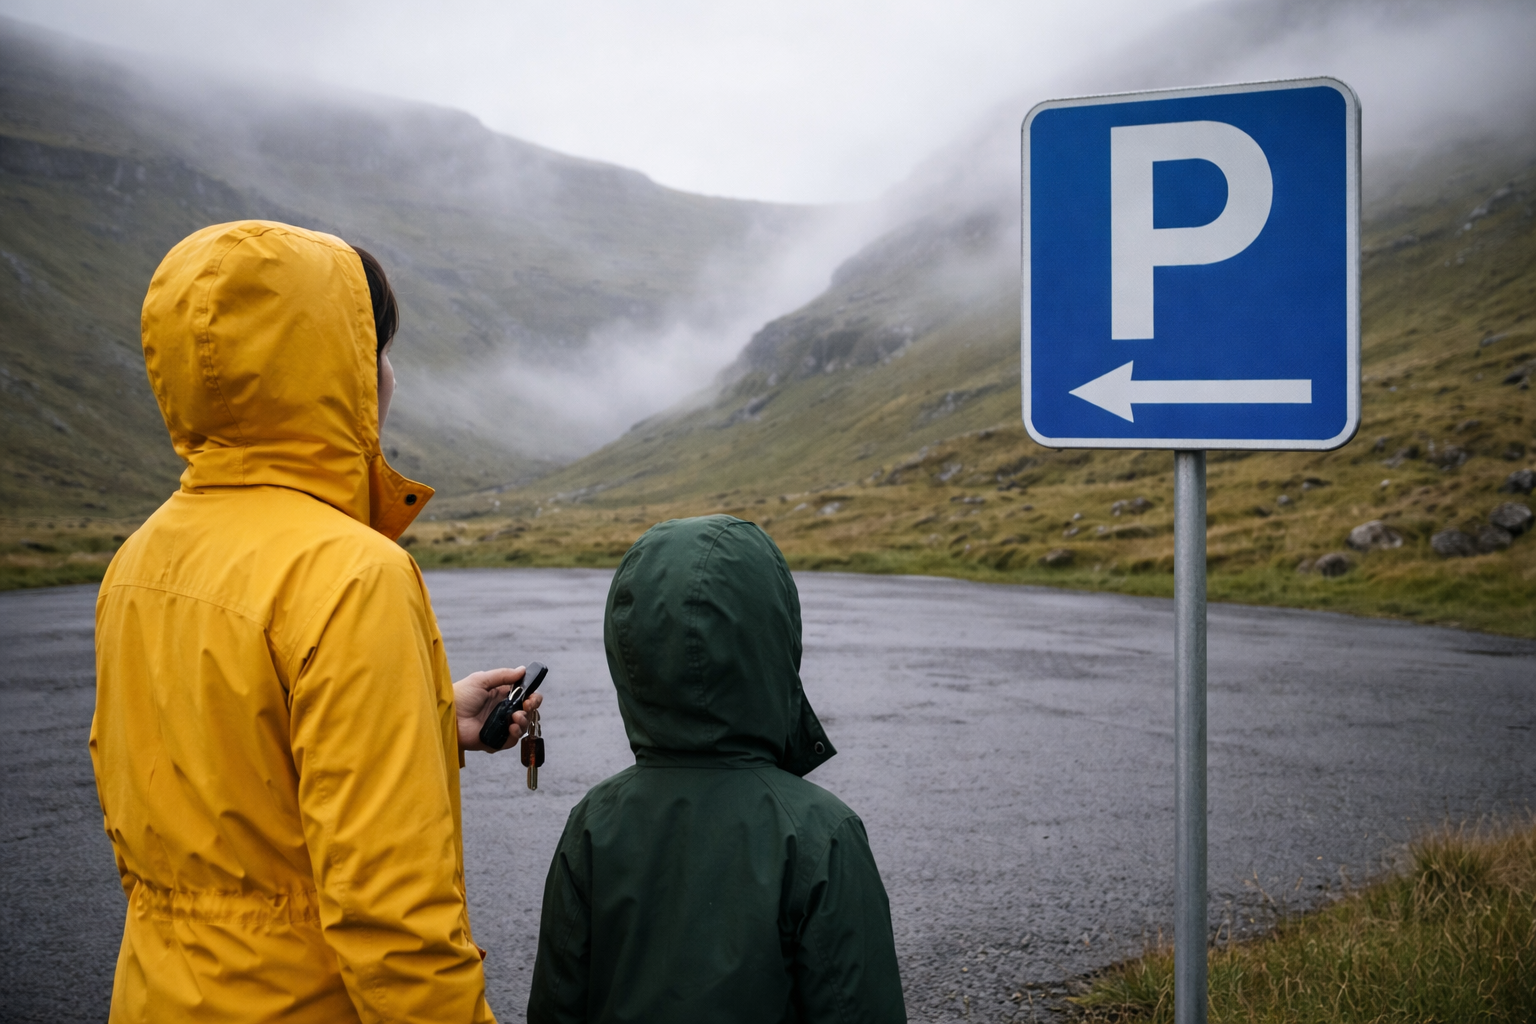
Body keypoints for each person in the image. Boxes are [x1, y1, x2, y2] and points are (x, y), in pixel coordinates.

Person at [90, 220, 539, 1023]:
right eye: (378, 348)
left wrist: (435, 717)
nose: (390, 375)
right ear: (341, 370)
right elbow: (394, 920)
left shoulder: (138, 557)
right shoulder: (354, 575)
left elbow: (229, 779)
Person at [526, 515, 906, 1024]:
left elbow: (556, 1004)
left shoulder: (594, 821)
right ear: (773, 637)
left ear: (629, 646)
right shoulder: (821, 832)